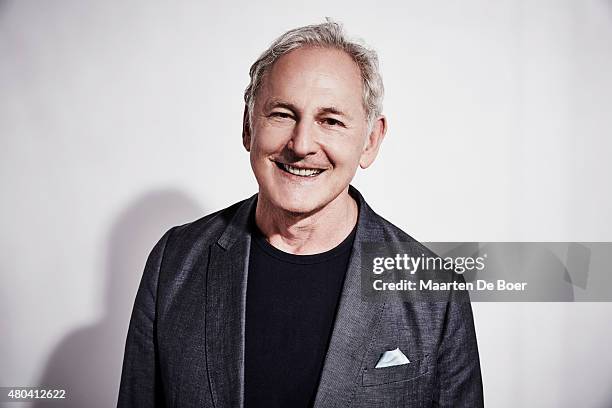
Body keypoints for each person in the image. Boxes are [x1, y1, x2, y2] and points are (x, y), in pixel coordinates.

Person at [117, 20, 483, 407]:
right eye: (282, 114)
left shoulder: (434, 290)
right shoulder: (175, 261)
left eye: (331, 121)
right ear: (248, 126)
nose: (302, 144)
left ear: (370, 141)